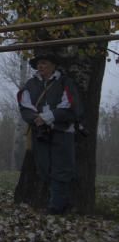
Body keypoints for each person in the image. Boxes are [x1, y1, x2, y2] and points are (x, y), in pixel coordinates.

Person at [18, 50, 82, 215]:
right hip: (40, 132)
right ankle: (61, 203)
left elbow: (70, 104)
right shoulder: (30, 85)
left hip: (62, 131)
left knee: (62, 169)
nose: (41, 66)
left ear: (53, 65)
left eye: (44, 63)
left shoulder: (64, 82)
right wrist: (36, 118)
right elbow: (25, 106)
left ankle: (57, 206)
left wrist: (48, 117)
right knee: (44, 168)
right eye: (39, 64)